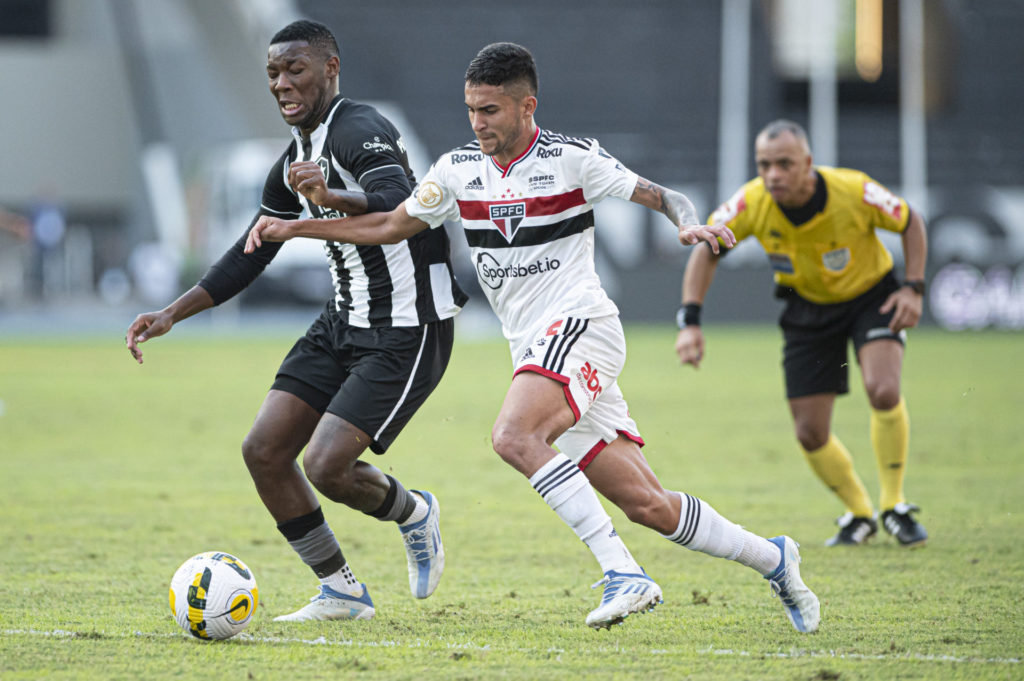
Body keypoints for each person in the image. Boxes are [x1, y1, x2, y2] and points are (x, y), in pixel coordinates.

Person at [246, 42, 820, 633]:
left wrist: (686, 222)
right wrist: (301, 225)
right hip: (534, 350)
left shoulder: (573, 159)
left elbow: (660, 194)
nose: (477, 123)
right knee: (647, 503)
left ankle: (623, 572)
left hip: (581, 326)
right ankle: (774, 557)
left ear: (527, 107)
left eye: (490, 110)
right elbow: (392, 224)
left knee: (514, 435)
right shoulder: (457, 170)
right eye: (471, 109)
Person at [125, 20, 467, 622]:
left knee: (327, 466)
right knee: (264, 450)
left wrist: (331, 199)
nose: (282, 84)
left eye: (295, 70)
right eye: (273, 74)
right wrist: (172, 313)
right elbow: (253, 248)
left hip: (406, 325)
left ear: (331, 68)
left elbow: (399, 204)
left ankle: (415, 513)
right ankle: (341, 590)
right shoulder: (293, 157)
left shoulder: (361, 129)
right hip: (342, 320)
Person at [675, 119, 929, 548]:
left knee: (882, 389)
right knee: (810, 432)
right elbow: (708, 249)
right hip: (807, 310)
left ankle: (894, 504)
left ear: (808, 163)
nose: (773, 174)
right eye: (764, 164)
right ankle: (859, 514)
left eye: (785, 164)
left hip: (871, 297)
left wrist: (914, 288)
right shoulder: (753, 202)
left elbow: (910, 222)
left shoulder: (853, 190)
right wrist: (691, 321)